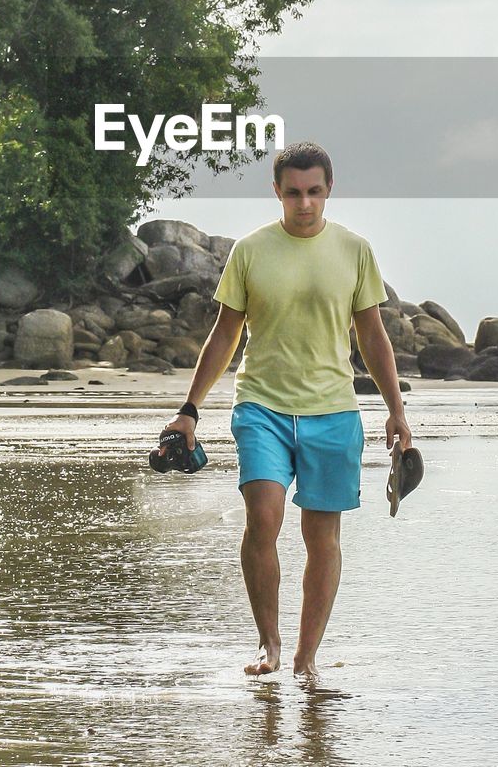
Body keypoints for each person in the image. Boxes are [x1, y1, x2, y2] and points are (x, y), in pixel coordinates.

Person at [160, 141, 412, 679]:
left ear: (329, 190)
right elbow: (225, 332)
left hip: (333, 411)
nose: (305, 204)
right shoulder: (251, 251)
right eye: (294, 193)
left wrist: (396, 410)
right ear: (276, 191)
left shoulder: (355, 251)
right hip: (261, 406)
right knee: (264, 517)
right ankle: (268, 644)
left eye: (314, 192)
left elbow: (372, 335)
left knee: (322, 538)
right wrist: (189, 409)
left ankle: (305, 656)